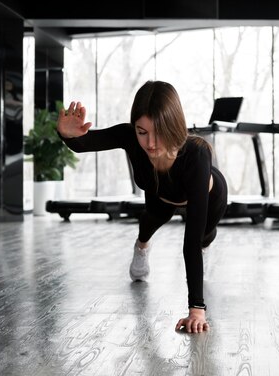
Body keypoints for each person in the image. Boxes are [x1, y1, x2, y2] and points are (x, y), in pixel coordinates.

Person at [57, 80, 228, 333]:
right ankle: (142, 247)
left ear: (174, 124)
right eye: (142, 131)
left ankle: (204, 257)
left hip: (206, 195)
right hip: (160, 192)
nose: (150, 143)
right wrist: (66, 134)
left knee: (202, 238)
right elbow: (85, 141)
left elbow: (188, 241)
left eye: (159, 131)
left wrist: (196, 309)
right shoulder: (130, 136)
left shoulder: (196, 153)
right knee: (149, 221)